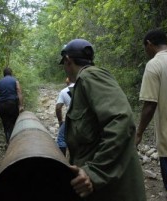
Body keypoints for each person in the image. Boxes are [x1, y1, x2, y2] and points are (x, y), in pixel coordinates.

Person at [59, 39, 146, 200]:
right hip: (102, 189)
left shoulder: (90, 76)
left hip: (114, 189)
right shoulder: (83, 82)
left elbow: (121, 120)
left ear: (68, 60)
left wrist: (94, 172)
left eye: (64, 64)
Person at [135, 29, 167, 201]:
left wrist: (139, 133)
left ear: (149, 44)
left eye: (145, 48)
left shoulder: (155, 65)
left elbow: (149, 105)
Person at [0, 67, 24, 144]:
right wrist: (21, 105)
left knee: (6, 124)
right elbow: (19, 92)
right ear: (11, 73)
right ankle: (14, 142)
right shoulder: (15, 81)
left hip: (1, 105)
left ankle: (8, 141)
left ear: (4, 74)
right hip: (12, 104)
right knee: (14, 123)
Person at [55, 77, 74, 156]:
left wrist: (60, 121)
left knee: (61, 139)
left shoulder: (64, 91)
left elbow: (58, 108)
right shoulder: (86, 87)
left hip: (72, 118)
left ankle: (62, 161)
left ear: (67, 83)